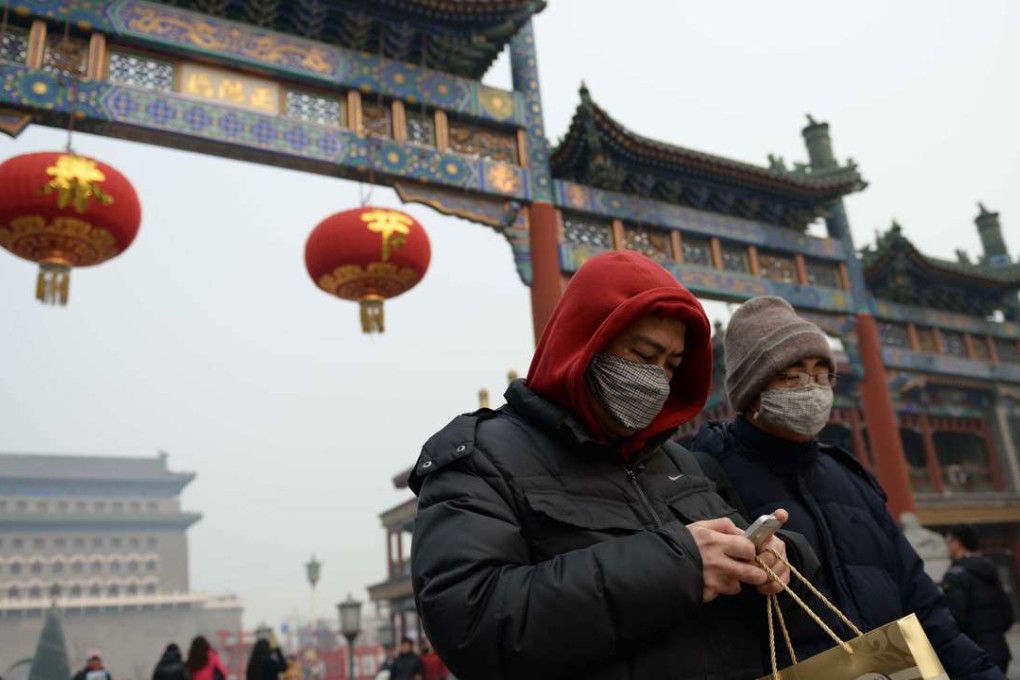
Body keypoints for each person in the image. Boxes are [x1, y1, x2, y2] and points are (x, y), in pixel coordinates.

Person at [410, 251, 820, 679]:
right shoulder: (481, 458)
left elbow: (758, 599)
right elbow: (472, 621)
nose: (658, 379)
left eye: (671, 365)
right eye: (644, 355)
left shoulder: (679, 461)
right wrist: (677, 567)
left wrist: (780, 561)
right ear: (585, 342)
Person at [691, 295, 1003, 679]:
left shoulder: (852, 481)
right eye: (793, 376)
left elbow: (925, 609)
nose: (812, 388)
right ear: (752, 388)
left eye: (822, 375)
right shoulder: (703, 480)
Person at [944, 524, 1015, 673]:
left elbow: (956, 619)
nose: (947, 547)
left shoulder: (955, 575)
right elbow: (1007, 615)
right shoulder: (989, 568)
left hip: (973, 654)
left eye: (949, 541)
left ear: (957, 542)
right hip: (999, 650)